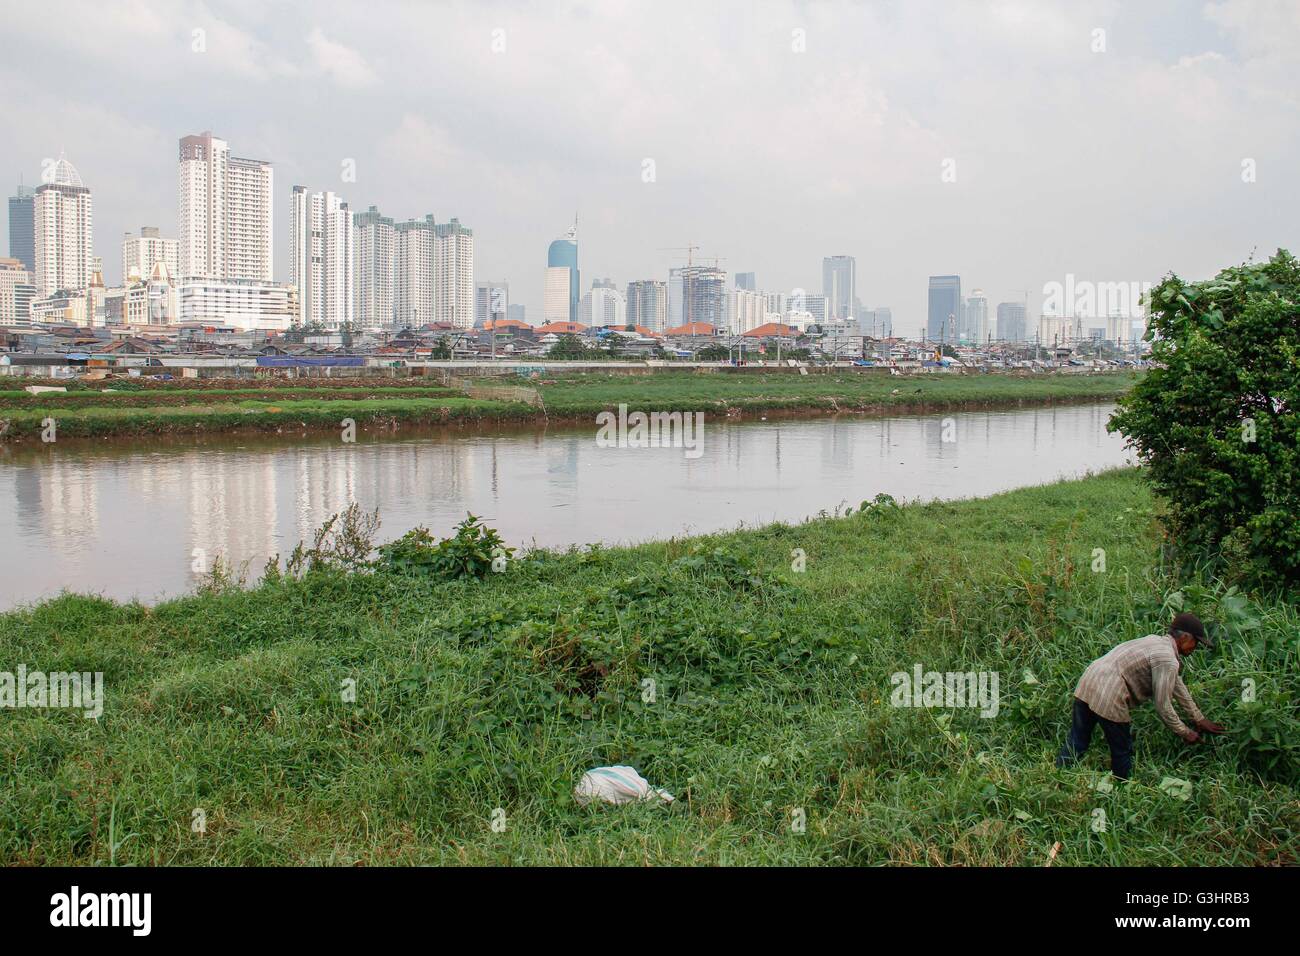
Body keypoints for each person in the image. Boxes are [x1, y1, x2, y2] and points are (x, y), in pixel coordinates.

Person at [1056, 612, 1226, 779]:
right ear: (1185, 637)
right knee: (1122, 750)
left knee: (1077, 741)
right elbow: (1163, 706)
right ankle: (1121, 788)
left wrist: (1198, 718)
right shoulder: (1167, 660)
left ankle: (1057, 777)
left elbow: (1176, 685)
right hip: (1110, 692)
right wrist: (1185, 732)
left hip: (1089, 680)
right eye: (1195, 642)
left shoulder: (1155, 641)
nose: (1195, 648)